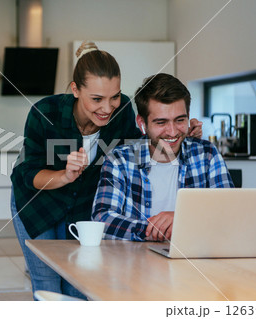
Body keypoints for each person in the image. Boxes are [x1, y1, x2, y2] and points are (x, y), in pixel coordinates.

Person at [10, 43, 203, 299]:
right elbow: (27, 172)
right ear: (76, 89)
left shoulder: (122, 110)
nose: (107, 107)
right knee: (46, 283)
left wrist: (177, 132)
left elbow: (140, 147)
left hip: (83, 207)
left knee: (78, 284)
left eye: (114, 96)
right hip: (37, 202)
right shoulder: (45, 113)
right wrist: (64, 176)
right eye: (97, 99)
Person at [91, 73, 234, 242]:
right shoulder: (119, 161)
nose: (172, 132)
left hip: (193, 261)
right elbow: (102, 219)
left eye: (180, 120)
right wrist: (154, 230)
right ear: (142, 123)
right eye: (161, 122)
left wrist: (181, 219)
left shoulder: (207, 155)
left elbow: (229, 212)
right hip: (134, 263)